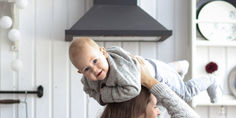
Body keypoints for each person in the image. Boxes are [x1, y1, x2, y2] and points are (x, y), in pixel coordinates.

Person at [69, 37, 222, 105]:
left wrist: (104, 95)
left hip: (160, 76)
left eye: (95, 61)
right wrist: (98, 95)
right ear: (80, 72)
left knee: (184, 94)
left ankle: (209, 80)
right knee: (161, 96)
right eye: (87, 69)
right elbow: (90, 91)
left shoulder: (119, 71)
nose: (94, 69)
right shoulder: (87, 80)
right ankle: (179, 66)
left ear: (103, 52)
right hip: (152, 67)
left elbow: (133, 90)